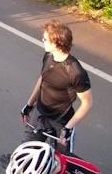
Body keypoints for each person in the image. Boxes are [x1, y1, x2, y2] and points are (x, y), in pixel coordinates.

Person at [20, 20, 92, 153]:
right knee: (26, 155)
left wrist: (68, 128)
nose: (42, 40)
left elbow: (87, 103)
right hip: (40, 115)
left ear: (57, 43)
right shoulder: (48, 56)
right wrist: (29, 105)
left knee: (61, 163)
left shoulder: (75, 72)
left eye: (45, 39)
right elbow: (43, 79)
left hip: (61, 122)